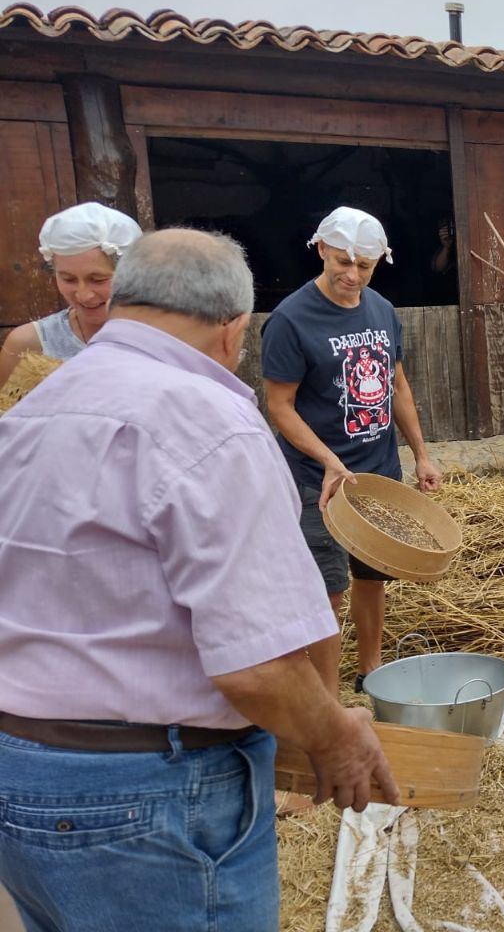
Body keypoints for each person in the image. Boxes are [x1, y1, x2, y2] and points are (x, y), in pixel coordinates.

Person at [0, 229, 398, 932]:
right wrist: (333, 737)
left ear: (120, 302)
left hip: (20, 771)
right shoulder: (210, 422)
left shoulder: (34, 409)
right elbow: (257, 666)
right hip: (147, 792)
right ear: (232, 328)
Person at [262, 207, 443, 695]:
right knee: (328, 585)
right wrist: (328, 461)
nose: (352, 274)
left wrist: (421, 454)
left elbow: (397, 385)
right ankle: (326, 696)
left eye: (364, 265)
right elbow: (279, 406)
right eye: (342, 261)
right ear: (321, 249)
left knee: (372, 576)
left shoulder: (382, 310)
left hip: (378, 472)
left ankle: (370, 673)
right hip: (315, 478)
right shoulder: (290, 320)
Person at [0, 201, 142, 388]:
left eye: (98, 279)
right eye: (68, 279)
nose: (84, 295)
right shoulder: (32, 345)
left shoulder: (169, 334)